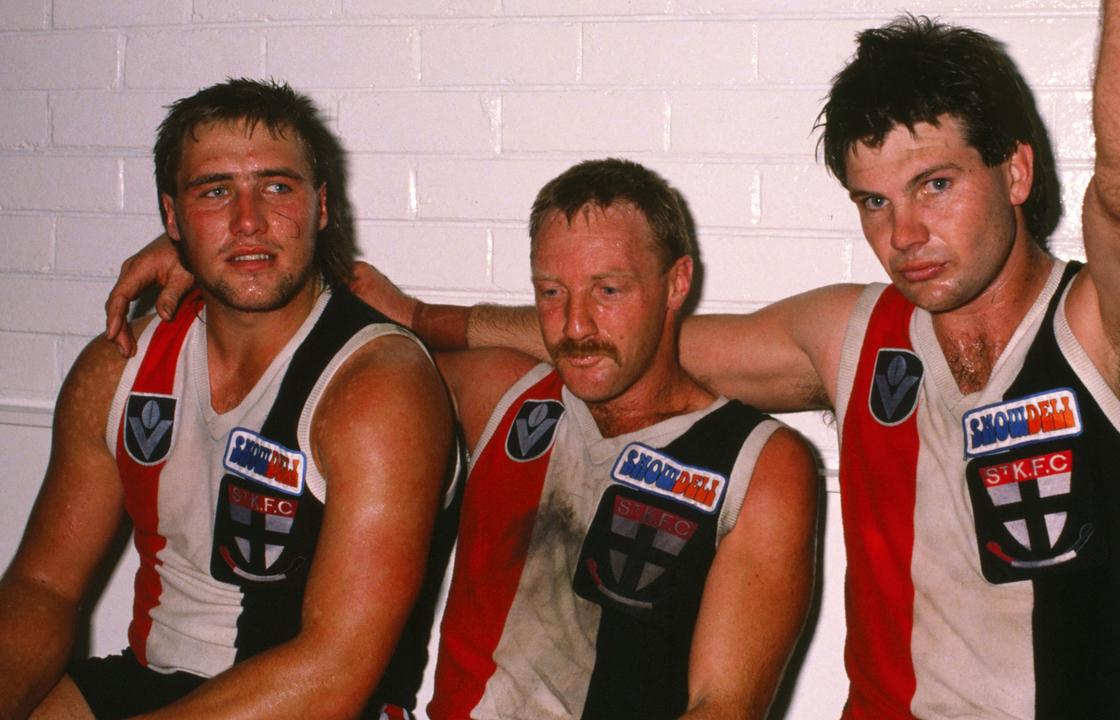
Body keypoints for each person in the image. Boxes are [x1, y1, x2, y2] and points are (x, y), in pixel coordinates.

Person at [100, 1, 1120, 716]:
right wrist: (240, 251)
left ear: (1014, 172)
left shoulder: (1116, 342)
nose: (902, 234)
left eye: (934, 185)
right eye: (872, 202)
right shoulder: (858, 335)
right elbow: (612, 343)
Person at [101, 158, 818, 719]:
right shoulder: (503, 400)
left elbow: (725, 709)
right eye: (550, 292)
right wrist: (208, 250)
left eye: (609, 290)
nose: (574, 326)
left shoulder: (762, 462)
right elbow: (324, 329)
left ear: (676, 283)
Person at [0, 79, 457, 720]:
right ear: (171, 218)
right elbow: (42, 587)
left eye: (277, 186)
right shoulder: (119, 368)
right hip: (148, 681)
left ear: (321, 207)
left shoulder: (378, 385)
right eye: (215, 192)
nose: (249, 220)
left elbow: (335, 670)